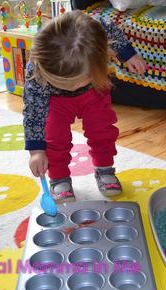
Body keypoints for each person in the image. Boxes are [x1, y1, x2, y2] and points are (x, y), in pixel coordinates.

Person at [23, 10, 147, 203]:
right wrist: (36, 151)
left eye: (77, 82)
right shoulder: (37, 71)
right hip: (54, 101)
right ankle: (59, 178)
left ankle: (104, 169)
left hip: (94, 91)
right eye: (65, 83)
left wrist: (128, 55)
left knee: (102, 130)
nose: (71, 89)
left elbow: (113, 31)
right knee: (54, 137)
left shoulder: (97, 27)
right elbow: (33, 113)